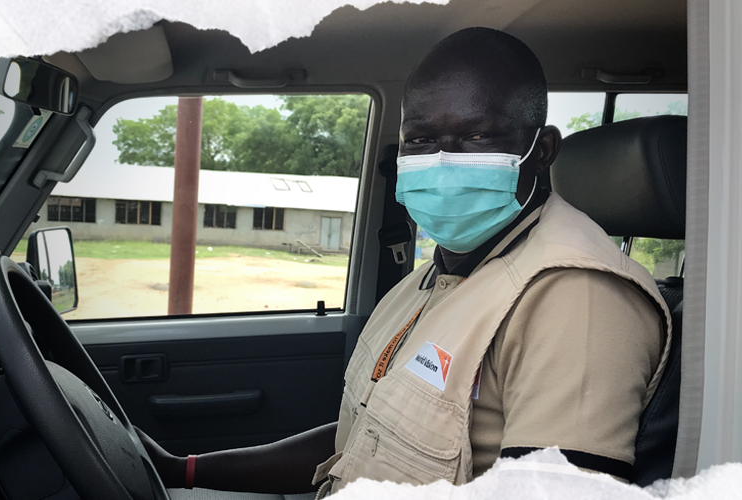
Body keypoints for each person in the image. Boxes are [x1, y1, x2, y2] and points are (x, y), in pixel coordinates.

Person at [139, 27, 671, 496]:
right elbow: (359, 447)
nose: (442, 161)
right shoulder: (438, 277)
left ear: (543, 149)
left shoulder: (577, 298)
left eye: (477, 135)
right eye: (420, 139)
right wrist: (182, 469)